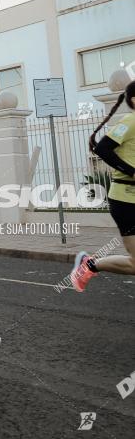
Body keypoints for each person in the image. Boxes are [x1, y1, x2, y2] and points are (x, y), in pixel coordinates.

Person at [71, 80, 135, 291]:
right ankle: (89, 265)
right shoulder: (130, 121)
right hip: (126, 201)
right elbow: (103, 149)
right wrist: (132, 171)